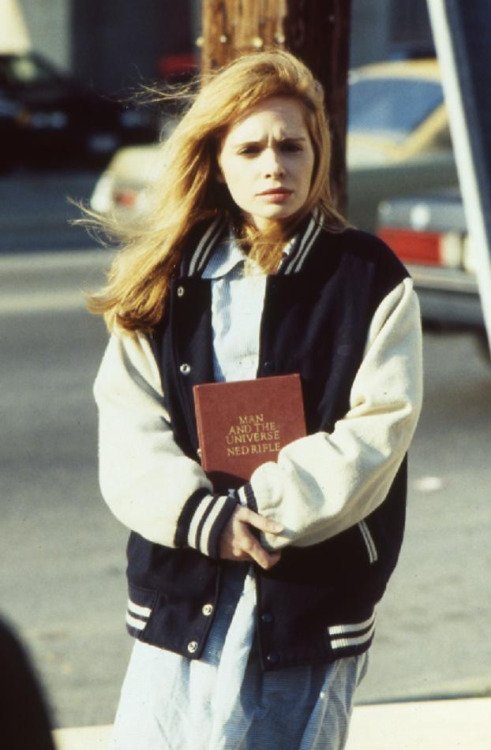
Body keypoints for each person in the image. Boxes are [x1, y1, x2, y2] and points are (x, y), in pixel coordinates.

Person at [90, 49, 423, 750]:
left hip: (310, 591)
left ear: (317, 155)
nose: (273, 164)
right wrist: (203, 516)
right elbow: (129, 429)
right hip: (185, 592)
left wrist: (263, 510)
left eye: (290, 145)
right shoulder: (163, 281)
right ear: (217, 161)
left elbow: (377, 430)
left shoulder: (367, 277)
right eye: (250, 148)